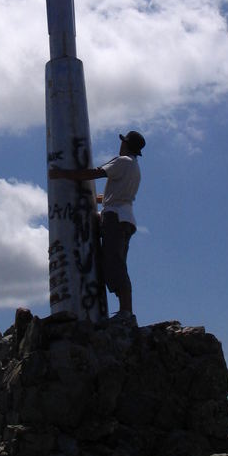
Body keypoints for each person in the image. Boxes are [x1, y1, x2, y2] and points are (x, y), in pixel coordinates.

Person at [49, 130, 146, 325]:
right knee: (116, 262)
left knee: (114, 263)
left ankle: (126, 312)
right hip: (125, 217)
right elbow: (116, 196)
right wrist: (93, 198)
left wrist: (63, 174)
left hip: (115, 218)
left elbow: (94, 173)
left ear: (125, 144)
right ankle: (125, 311)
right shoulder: (134, 167)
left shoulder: (122, 161)